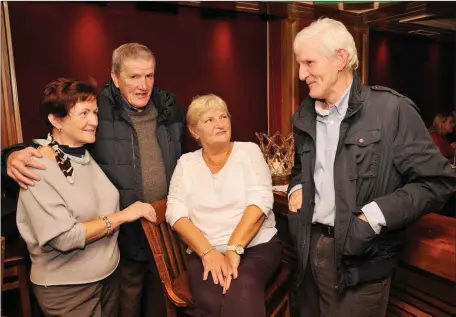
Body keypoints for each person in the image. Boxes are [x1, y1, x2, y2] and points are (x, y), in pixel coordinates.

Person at [287, 18, 456, 317]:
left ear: (340, 58)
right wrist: (298, 187)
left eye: (309, 63)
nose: (302, 74)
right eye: (300, 64)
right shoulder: (305, 112)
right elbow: (302, 167)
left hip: (359, 263)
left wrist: (372, 217)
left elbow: (437, 182)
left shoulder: (392, 110)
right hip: (308, 253)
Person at [2, 43, 186, 317]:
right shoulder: (96, 111)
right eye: (134, 76)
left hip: (159, 234)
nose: (143, 84)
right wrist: (10, 156)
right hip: (116, 248)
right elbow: (50, 147)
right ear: (115, 77)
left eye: (149, 75)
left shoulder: (169, 109)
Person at [16, 78, 157, 317]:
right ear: (56, 119)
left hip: (107, 279)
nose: (94, 121)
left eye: (95, 112)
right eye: (83, 113)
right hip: (68, 290)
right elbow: (64, 238)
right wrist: (124, 215)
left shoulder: (83, 156)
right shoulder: (37, 167)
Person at [166, 94, 282, 317]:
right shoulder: (186, 163)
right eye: (209, 120)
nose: (220, 123)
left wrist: (233, 249)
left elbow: (260, 203)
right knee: (211, 298)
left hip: (255, 247)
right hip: (204, 251)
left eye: (223, 116)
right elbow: (175, 213)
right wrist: (209, 252)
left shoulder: (249, 152)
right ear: (193, 131)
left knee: (243, 289)